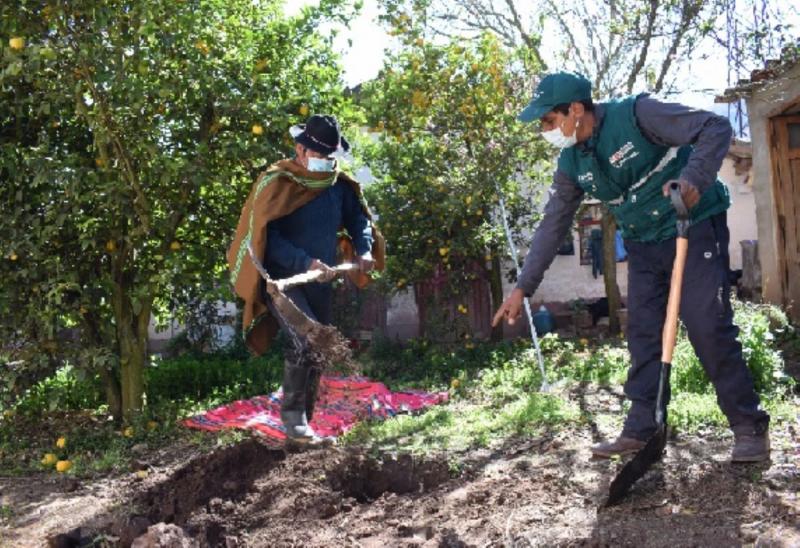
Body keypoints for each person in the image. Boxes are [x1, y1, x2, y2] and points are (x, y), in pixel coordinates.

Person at [492, 72, 770, 462]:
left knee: (708, 324)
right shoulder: (572, 162)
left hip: (693, 226)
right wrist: (523, 286)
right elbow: (553, 224)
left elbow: (715, 126)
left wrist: (692, 180)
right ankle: (643, 429)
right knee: (642, 334)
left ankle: (748, 426)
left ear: (575, 109)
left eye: (548, 121)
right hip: (643, 244)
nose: (545, 130)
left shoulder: (638, 114)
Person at [228, 114, 385, 442]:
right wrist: (304, 261)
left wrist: (364, 249)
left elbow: (358, 221)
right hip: (283, 282)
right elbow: (265, 239)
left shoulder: (339, 186)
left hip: (320, 283)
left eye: (331, 157)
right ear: (300, 150)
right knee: (307, 339)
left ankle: (303, 429)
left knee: (320, 346)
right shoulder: (278, 182)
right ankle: (294, 420)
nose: (327, 164)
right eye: (320, 156)